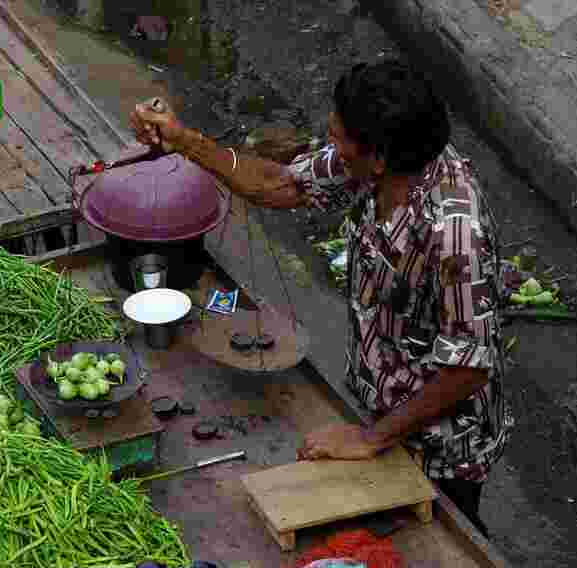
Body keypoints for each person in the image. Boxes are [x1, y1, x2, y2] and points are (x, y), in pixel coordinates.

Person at [129, 60, 512, 536]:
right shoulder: (382, 160)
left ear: (378, 157)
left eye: (339, 140)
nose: (331, 146)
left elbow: (469, 368)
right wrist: (184, 140)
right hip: (385, 408)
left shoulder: (456, 234)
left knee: (448, 538)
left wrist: (372, 439)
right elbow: (280, 184)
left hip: (440, 444)